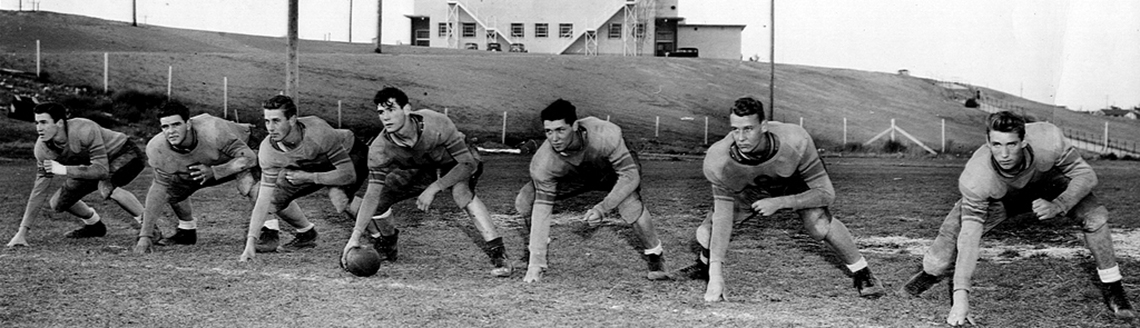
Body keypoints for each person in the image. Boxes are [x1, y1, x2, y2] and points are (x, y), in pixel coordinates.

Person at [901, 111, 1135, 325]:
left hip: (1047, 184)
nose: (1004, 154)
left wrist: (1059, 205)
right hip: (999, 198)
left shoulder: (1047, 138)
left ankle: (1113, 287)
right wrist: (961, 296)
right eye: (996, 145)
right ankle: (929, 275)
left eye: (1011, 144)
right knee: (938, 260)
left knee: (1095, 217)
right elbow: (970, 238)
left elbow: (1085, 174)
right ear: (988, 143)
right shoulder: (976, 176)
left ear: (1024, 141)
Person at [677, 97, 884, 301]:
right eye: (735, 129)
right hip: (751, 188)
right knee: (707, 232)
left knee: (818, 223)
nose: (740, 137)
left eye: (748, 129)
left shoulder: (794, 140)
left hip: (791, 182)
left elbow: (826, 193)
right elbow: (723, 218)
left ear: (764, 126)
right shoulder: (719, 159)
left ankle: (862, 271)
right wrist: (716, 275)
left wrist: (780, 202)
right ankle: (706, 266)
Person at [340, 87, 511, 277]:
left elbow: (467, 163)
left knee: (461, 193)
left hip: (456, 161)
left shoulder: (436, 123)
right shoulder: (379, 149)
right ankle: (388, 242)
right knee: (380, 199)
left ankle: (499, 253)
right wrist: (355, 237)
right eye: (381, 112)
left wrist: (435, 187)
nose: (386, 117)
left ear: (406, 109)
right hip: (421, 166)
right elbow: (371, 195)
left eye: (391, 109)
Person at [515, 98, 668, 283]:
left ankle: (655, 253)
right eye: (548, 131)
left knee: (629, 203)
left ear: (574, 126)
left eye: (560, 130)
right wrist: (535, 264)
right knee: (526, 200)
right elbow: (542, 208)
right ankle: (538, 250)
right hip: (576, 175)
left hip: (611, 171)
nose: (554, 138)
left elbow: (630, 176)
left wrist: (603, 208)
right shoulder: (544, 161)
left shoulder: (604, 134)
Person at [132, 100, 305, 253]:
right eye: (165, 127)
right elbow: (159, 189)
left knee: (249, 186)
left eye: (176, 125)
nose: (170, 131)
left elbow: (249, 158)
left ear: (189, 124)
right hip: (209, 162)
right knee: (173, 186)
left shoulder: (213, 130)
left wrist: (214, 172)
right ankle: (187, 230)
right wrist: (145, 235)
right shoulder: (157, 147)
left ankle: (274, 231)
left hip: (248, 146)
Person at [239, 95, 368, 261]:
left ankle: (382, 237)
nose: (270, 128)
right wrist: (250, 242)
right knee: (271, 197)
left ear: (292, 120)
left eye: (276, 121)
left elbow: (347, 174)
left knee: (339, 198)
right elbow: (263, 199)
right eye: (267, 121)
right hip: (312, 164)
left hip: (350, 153)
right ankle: (306, 233)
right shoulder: (267, 150)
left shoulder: (317, 131)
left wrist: (309, 177)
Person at [6, 103, 146, 247]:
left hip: (124, 153)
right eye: (36, 123)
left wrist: (64, 170)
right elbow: (39, 191)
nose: (38, 128)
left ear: (59, 123)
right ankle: (94, 226)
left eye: (43, 122)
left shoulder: (84, 129)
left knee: (106, 186)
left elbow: (102, 171)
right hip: (92, 166)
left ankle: (149, 230)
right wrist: (22, 232)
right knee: (58, 202)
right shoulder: (42, 150)